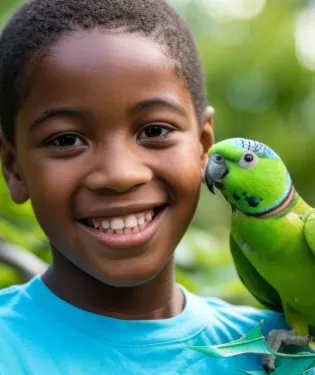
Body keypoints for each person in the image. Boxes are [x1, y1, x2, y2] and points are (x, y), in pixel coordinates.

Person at [0, 0, 287, 374]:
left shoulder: (284, 354)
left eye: (154, 131)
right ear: (13, 167)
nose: (120, 175)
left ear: (203, 147)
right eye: (66, 140)